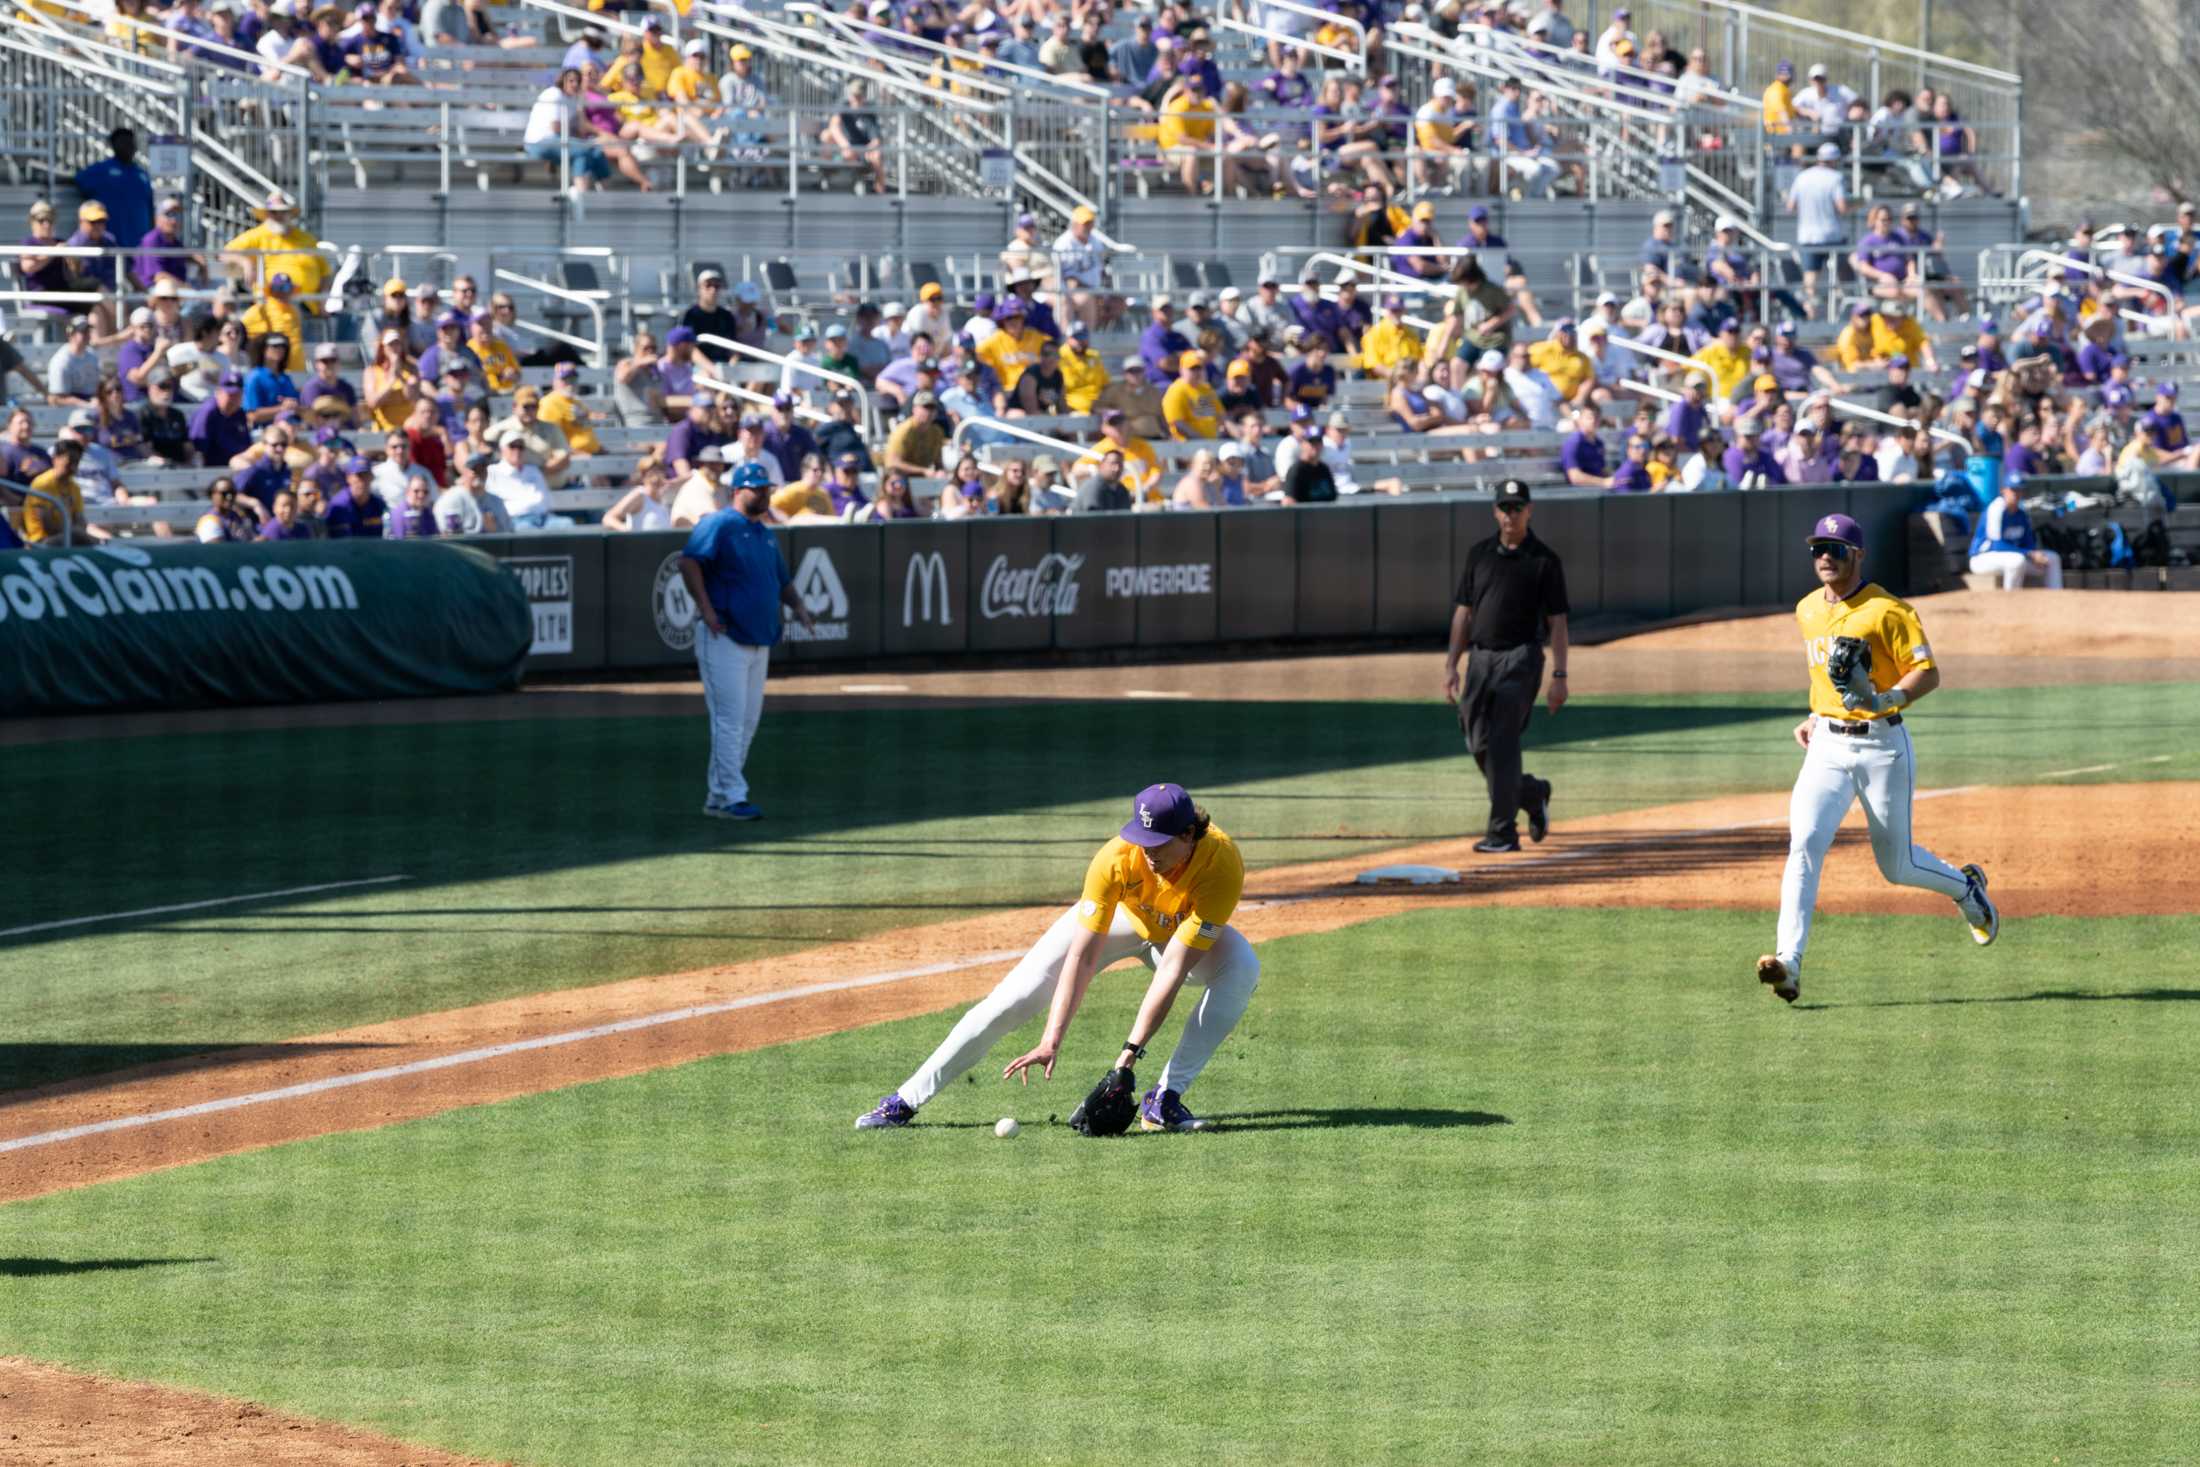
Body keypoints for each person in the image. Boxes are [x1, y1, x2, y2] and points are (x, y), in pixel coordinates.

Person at [855, 781, 1258, 1136]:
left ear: (1189, 834)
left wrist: (1128, 1057)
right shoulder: (1116, 859)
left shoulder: (1220, 866)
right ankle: (904, 1100)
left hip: (1176, 937)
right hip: (1124, 919)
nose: (1147, 851)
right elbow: (1082, 958)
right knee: (1011, 999)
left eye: (1159, 843)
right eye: (1142, 839)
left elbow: (1173, 967)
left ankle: (1164, 1098)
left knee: (1241, 968)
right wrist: (1052, 1038)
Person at [1756, 512, 1998, 1005]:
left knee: (1898, 865)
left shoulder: (1890, 610)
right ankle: (1789, 963)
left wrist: (1886, 700)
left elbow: (1927, 674)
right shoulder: (1806, 609)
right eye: (1818, 548)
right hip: (1826, 746)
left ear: (1857, 554)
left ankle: (1965, 889)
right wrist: (1814, 713)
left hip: (1882, 746)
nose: (1825, 557)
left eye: (1836, 549)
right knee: (1803, 844)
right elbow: (1829, 679)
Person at [677, 462, 816, 822]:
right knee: (730, 721)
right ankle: (733, 797)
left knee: (747, 722)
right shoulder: (719, 523)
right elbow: (689, 562)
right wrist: (705, 609)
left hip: (758, 638)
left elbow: (780, 579)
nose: (765, 494)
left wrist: (798, 605)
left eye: (767, 489)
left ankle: (718, 795)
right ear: (738, 491)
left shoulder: (764, 533)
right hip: (723, 635)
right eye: (758, 489)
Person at [1443, 479, 1566, 854]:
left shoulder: (1544, 560)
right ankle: (1531, 792)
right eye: (1504, 507)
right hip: (1480, 660)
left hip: (1521, 659)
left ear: (1529, 510)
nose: (1510, 514)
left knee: (1502, 743)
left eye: (1517, 507)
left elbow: (1557, 622)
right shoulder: (1479, 554)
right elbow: (1464, 612)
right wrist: (1451, 664)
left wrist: (1560, 676)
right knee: (1476, 739)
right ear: (1495, 511)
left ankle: (1502, 832)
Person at [1967, 481, 2064, 590]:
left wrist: (2036, 556)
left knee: (2052, 558)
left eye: (2019, 490)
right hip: (1983, 559)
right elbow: (1996, 545)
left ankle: (2056, 598)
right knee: (2017, 561)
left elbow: (2028, 543)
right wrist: (2029, 554)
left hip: (2013, 557)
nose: (2016, 494)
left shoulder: (2021, 514)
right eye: (2013, 489)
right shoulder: (1996, 509)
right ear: (2003, 490)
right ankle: (2011, 601)